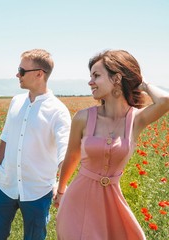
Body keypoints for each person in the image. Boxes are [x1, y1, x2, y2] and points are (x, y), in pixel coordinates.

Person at [53, 49, 169, 240]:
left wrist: (143, 84)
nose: (90, 82)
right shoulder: (83, 118)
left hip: (111, 204)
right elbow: (72, 156)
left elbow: (165, 101)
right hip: (76, 201)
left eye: (96, 76)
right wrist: (61, 190)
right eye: (90, 76)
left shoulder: (136, 119)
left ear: (116, 78)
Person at [0, 49, 71, 240]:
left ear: (39, 74)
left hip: (37, 191)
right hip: (4, 184)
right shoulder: (16, 101)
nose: (18, 74)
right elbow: (6, 137)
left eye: (22, 70)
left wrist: (62, 186)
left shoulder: (58, 111)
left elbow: (64, 153)